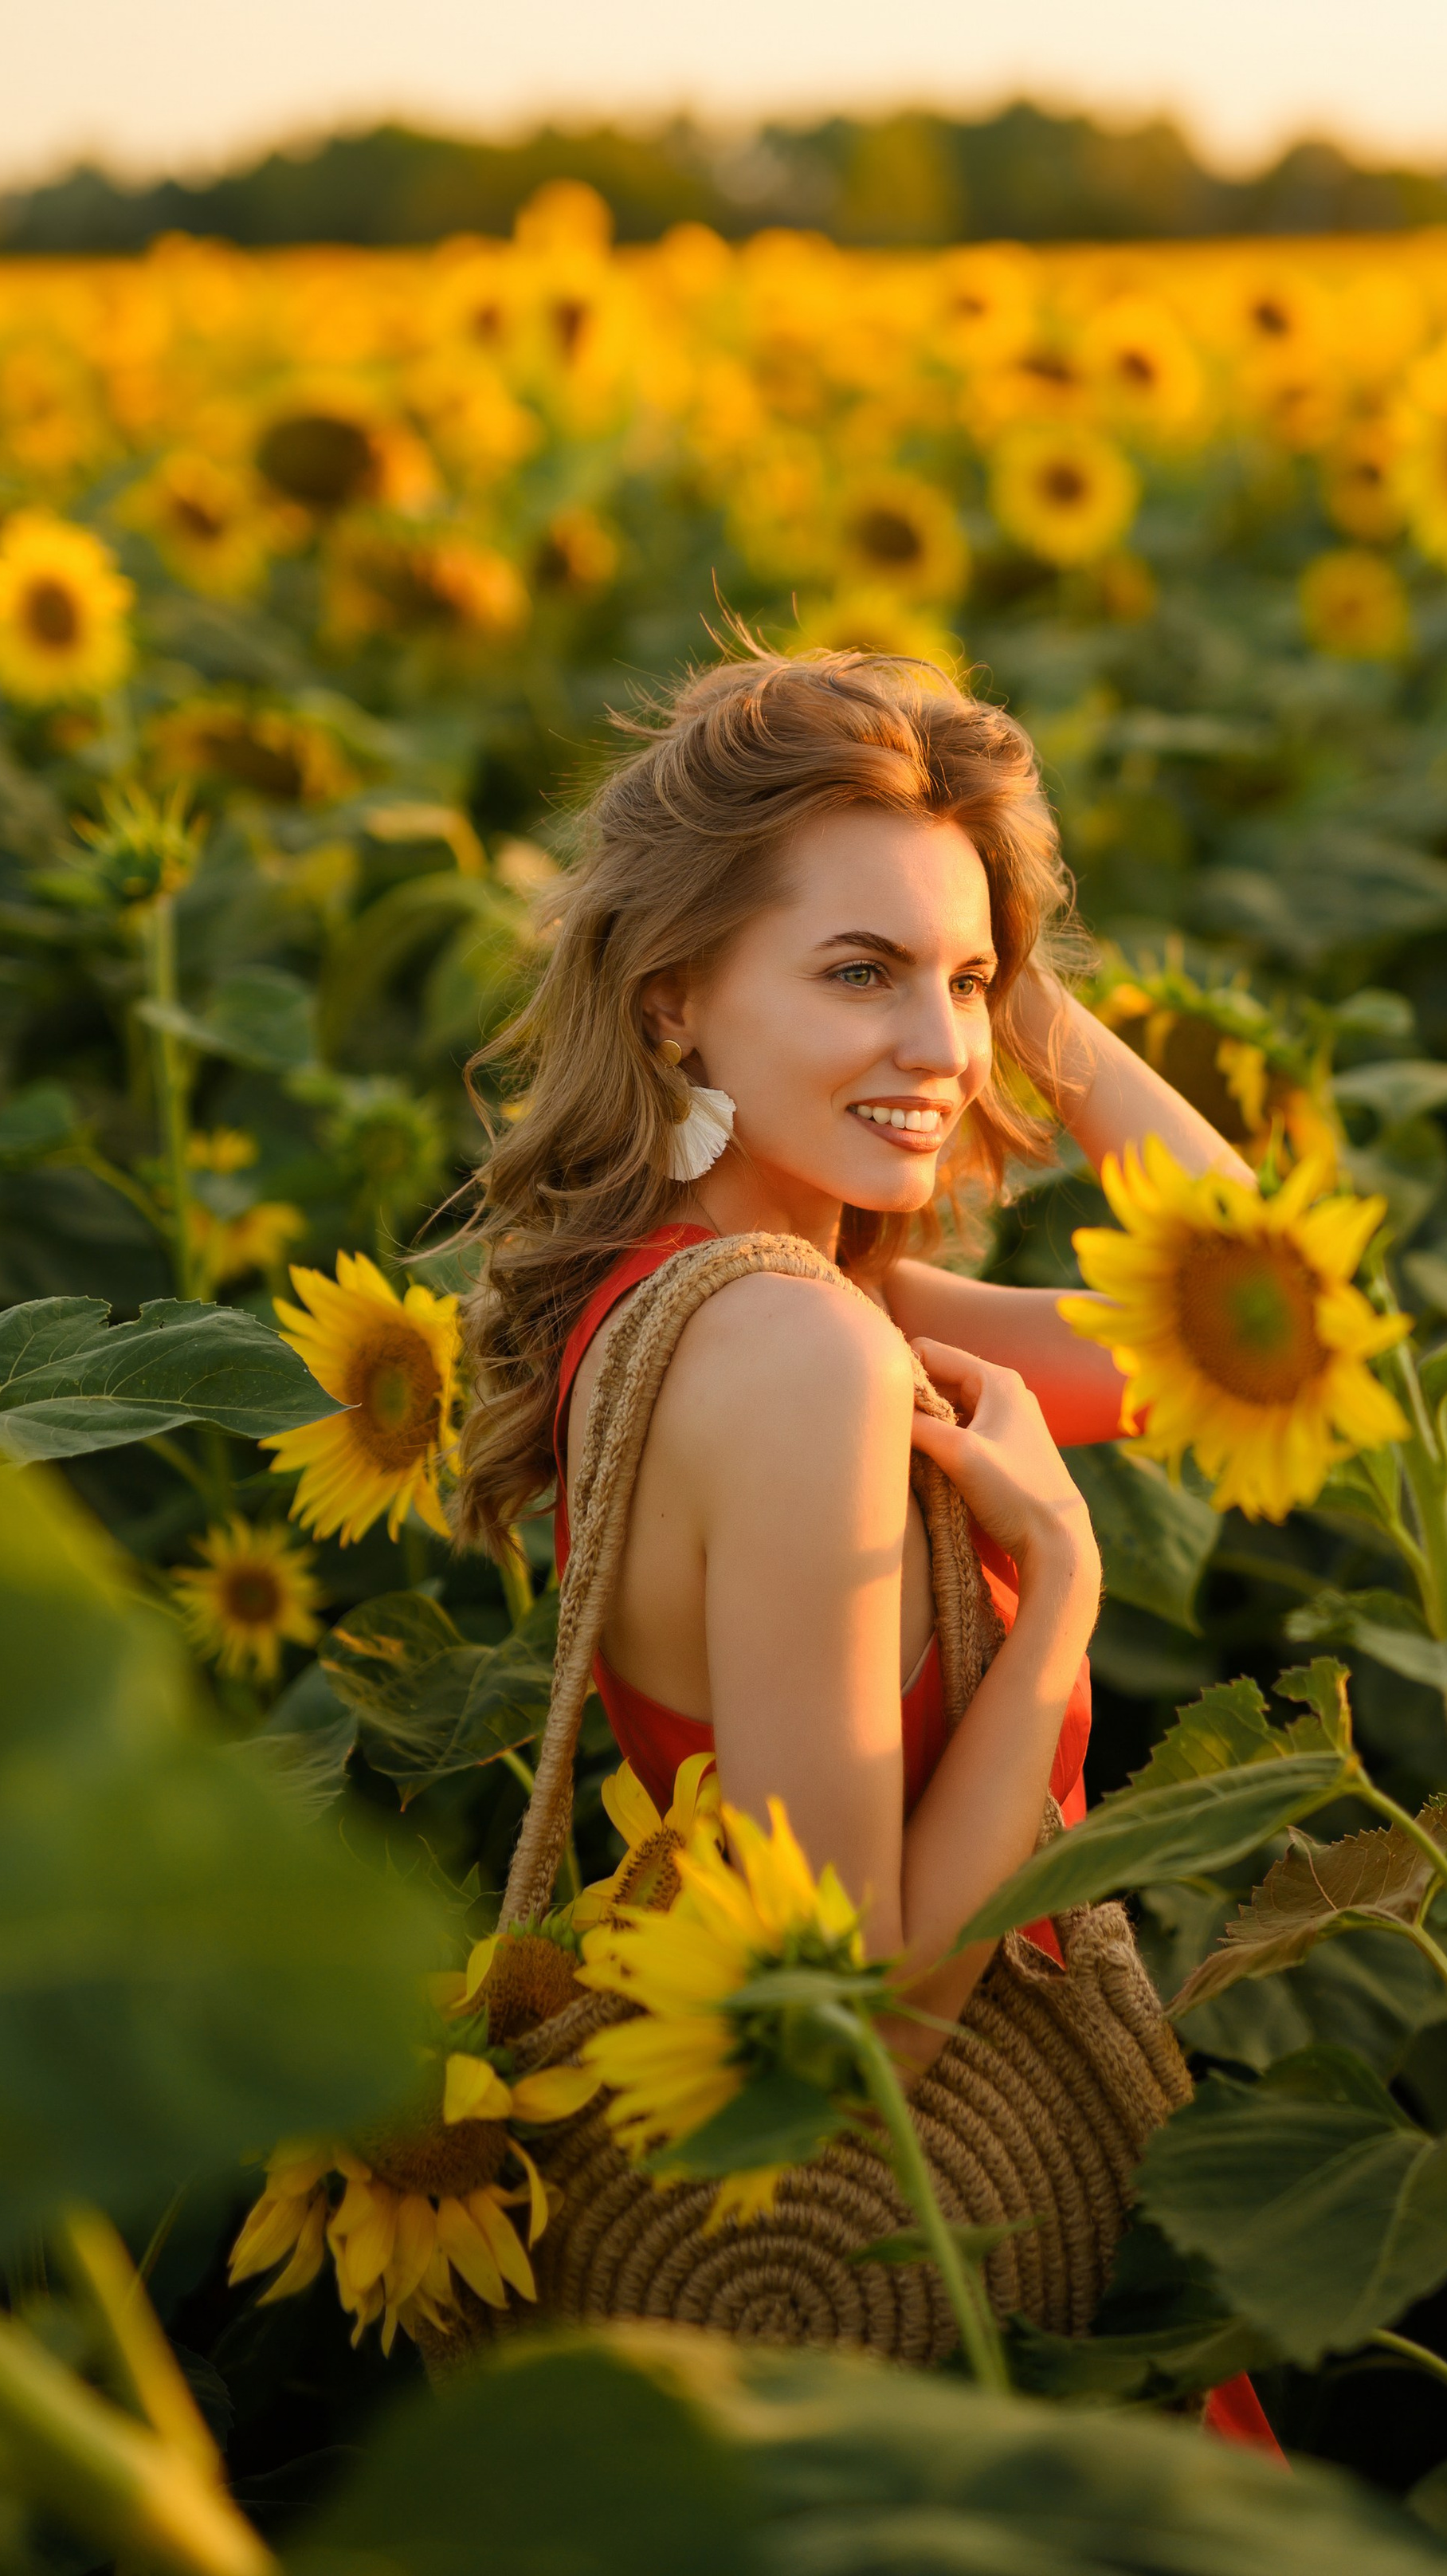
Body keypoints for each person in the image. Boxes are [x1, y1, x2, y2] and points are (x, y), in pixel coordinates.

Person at [453, 646, 1280, 2454]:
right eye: (854, 971)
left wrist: (998, 972)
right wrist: (1058, 1597)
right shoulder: (802, 1351)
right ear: (671, 1005)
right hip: (949, 2265)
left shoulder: (722, 1300)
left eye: (967, 979)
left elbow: (1264, 1311)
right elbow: (858, 2042)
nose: (941, 1047)